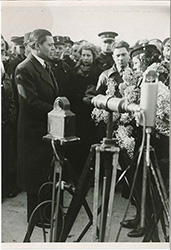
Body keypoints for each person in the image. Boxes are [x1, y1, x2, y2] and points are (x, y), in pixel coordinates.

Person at [15, 29, 59, 224]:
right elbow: (30, 103)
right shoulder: (25, 68)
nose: (53, 48)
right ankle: (37, 218)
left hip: (46, 130)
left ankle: (46, 214)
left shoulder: (44, 66)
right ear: (35, 46)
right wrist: (57, 110)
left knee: (45, 174)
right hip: (33, 134)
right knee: (35, 178)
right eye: (49, 44)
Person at [72, 42, 103, 176]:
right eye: (83, 55)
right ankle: (79, 172)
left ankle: (92, 173)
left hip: (92, 110)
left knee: (92, 140)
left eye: (88, 55)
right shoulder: (74, 70)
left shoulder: (98, 71)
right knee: (80, 142)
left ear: (93, 56)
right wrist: (80, 98)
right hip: (79, 110)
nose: (85, 58)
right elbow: (72, 89)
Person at [1, 35, 17, 200]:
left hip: (5, 121)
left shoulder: (6, 67)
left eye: (2, 46)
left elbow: (10, 95)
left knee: (7, 157)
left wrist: (11, 117)